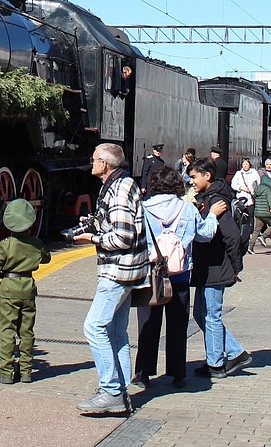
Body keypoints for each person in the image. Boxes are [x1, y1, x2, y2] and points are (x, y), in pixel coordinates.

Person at [72, 142, 149, 416]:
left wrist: (91, 238)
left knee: (94, 327)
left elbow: (123, 236)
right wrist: (95, 223)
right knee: (116, 332)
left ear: (105, 164)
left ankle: (111, 391)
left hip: (118, 270)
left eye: (94, 159)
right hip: (127, 270)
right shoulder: (119, 185)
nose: (91, 162)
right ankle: (121, 391)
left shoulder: (118, 189)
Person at [132, 166, 225, 390]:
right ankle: (177, 374)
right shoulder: (187, 208)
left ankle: (143, 373)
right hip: (180, 274)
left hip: (150, 275)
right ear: (177, 185)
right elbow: (205, 235)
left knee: (147, 325)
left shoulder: (143, 209)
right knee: (178, 324)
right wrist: (212, 215)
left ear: (153, 185)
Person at [187, 157, 251, 379]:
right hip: (207, 265)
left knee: (211, 314)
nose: (191, 181)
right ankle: (231, 353)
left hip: (217, 265)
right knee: (200, 313)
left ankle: (217, 362)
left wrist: (236, 267)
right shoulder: (208, 198)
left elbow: (232, 236)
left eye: (194, 176)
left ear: (208, 176)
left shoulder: (217, 201)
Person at [0, 199, 51, 384]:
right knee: (27, 331)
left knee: (7, 330)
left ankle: (6, 372)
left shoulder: (5, 245)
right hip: (28, 287)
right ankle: (26, 371)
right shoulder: (36, 243)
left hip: (9, 288)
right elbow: (46, 258)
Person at [248, 169, 271, 252]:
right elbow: (270, 199)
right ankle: (263, 236)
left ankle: (250, 247)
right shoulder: (267, 189)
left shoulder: (257, 189)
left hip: (257, 212)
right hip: (266, 212)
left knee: (256, 230)